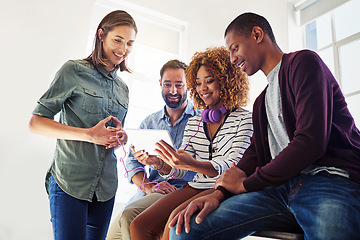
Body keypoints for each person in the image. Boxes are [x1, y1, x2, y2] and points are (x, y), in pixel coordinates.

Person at [169, 12, 360, 240]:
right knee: (186, 230)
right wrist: (218, 194)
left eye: (234, 48)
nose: (232, 58)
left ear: (257, 34)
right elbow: (253, 155)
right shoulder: (261, 102)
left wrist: (248, 184)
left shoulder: (304, 63)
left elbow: (310, 142)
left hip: (327, 181)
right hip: (279, 190)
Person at [28, 10, 137, 240]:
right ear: (101, 35)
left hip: (106, 189)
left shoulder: (123, 90)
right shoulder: (73, 71)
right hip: (70, 183)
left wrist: (120, 138)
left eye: (129, 43)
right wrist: (89, 134)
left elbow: (111, 139)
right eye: (118, 40)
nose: (123, 49)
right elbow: (36, 122)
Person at [130, 46, 253, 240]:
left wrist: (192, 164)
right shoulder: (196, 122)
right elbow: (179, 168)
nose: (202, 88)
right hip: (196, 185)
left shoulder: (244, 119)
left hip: (222, 188)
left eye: (209, 81)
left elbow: (232, 166)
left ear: (227, 80)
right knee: (139, 226)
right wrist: (161, 163)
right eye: (197, 83)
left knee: (171, 227)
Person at [106, 59, 199, 240]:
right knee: (111, 237)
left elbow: (198, 168)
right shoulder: (149, 122)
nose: (173, 91)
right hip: (149, 192)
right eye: (168, 84)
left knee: (130, 219)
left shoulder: (199, 121)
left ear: (188, 84)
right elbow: (132, 160)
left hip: (179, 192)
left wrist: (158, 164)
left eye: (179, 85)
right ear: (160, 84)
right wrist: (148, 186)